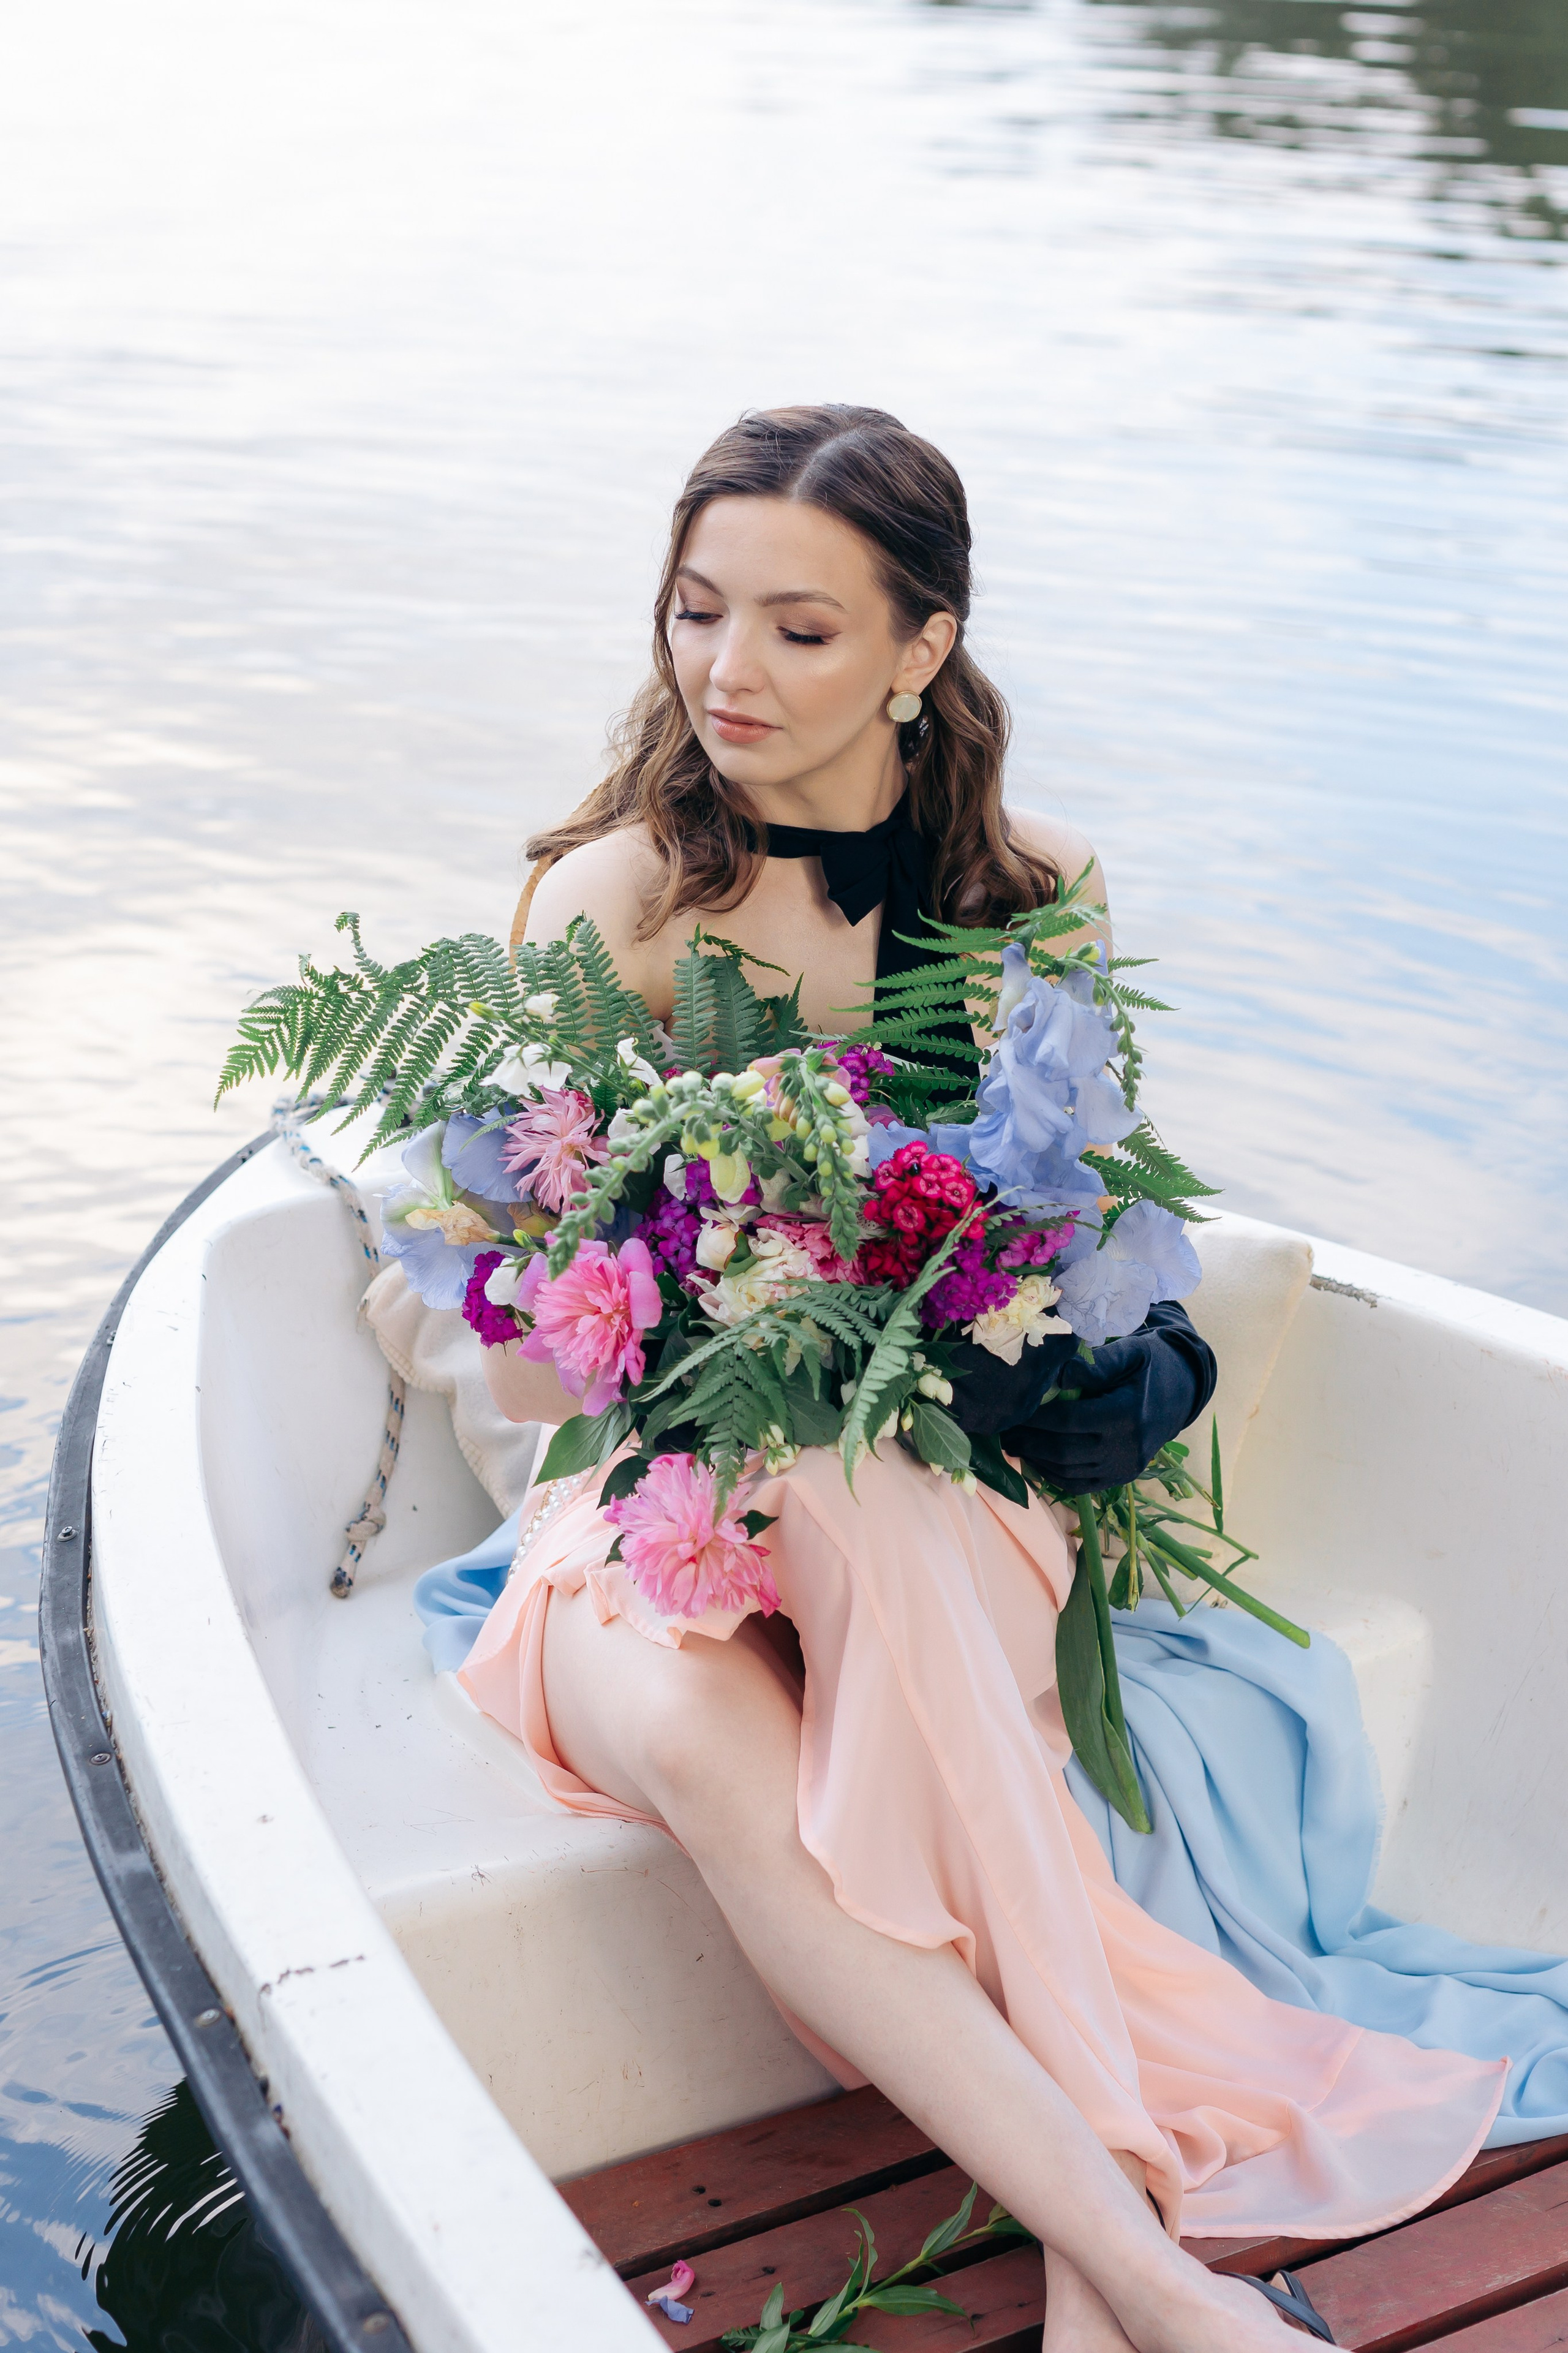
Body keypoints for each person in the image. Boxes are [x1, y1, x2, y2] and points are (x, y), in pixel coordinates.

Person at [459, 407, 1502, 2351]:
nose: (726, 674)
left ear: (923, 649)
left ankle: (1118, 2275)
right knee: (702, 1742)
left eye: (800, 629)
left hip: (924, 1500)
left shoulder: (1038, 894)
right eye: (697, 614)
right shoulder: (620, 900)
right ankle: (1143, 2282)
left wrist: (1127, 1363)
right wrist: (702, 1264)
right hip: (653, 1511)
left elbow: (1097, 1231)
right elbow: (520, 1368)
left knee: (880, 1502)